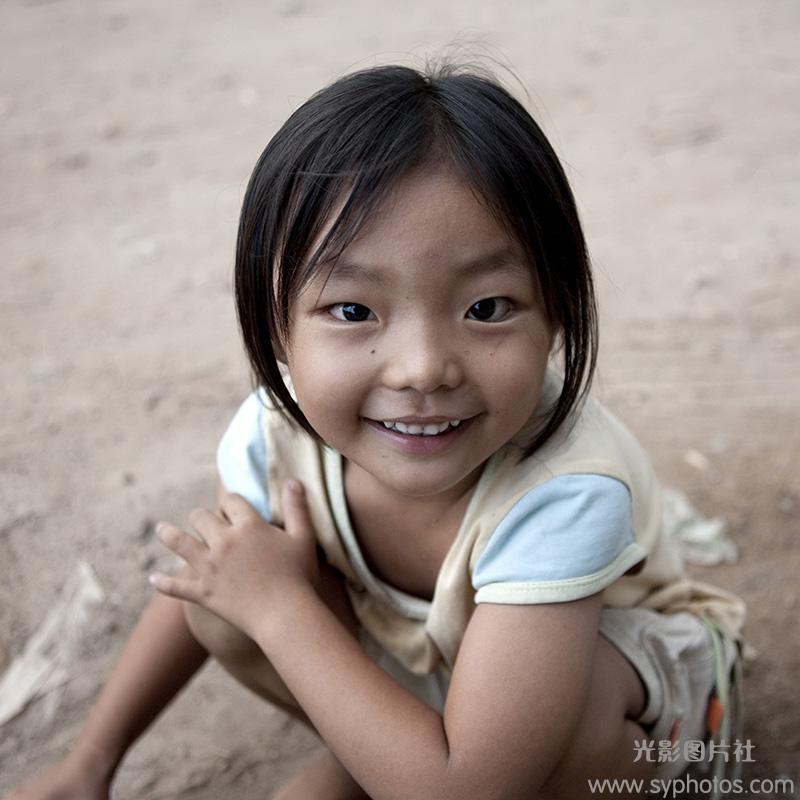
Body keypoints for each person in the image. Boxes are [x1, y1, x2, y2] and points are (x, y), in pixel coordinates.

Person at [5, 61, 747, 800]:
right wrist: (89, 764)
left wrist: (283, 609)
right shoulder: (279, 432)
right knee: (230, 595)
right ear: (279, 326)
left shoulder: (563, 491)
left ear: (556, 312)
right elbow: (210, 573)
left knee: (554, 719)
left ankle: (432, 762)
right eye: (354, 311)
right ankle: (402, 755)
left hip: (636, 740)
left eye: (487, 308)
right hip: (448, 704)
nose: (423, 370)